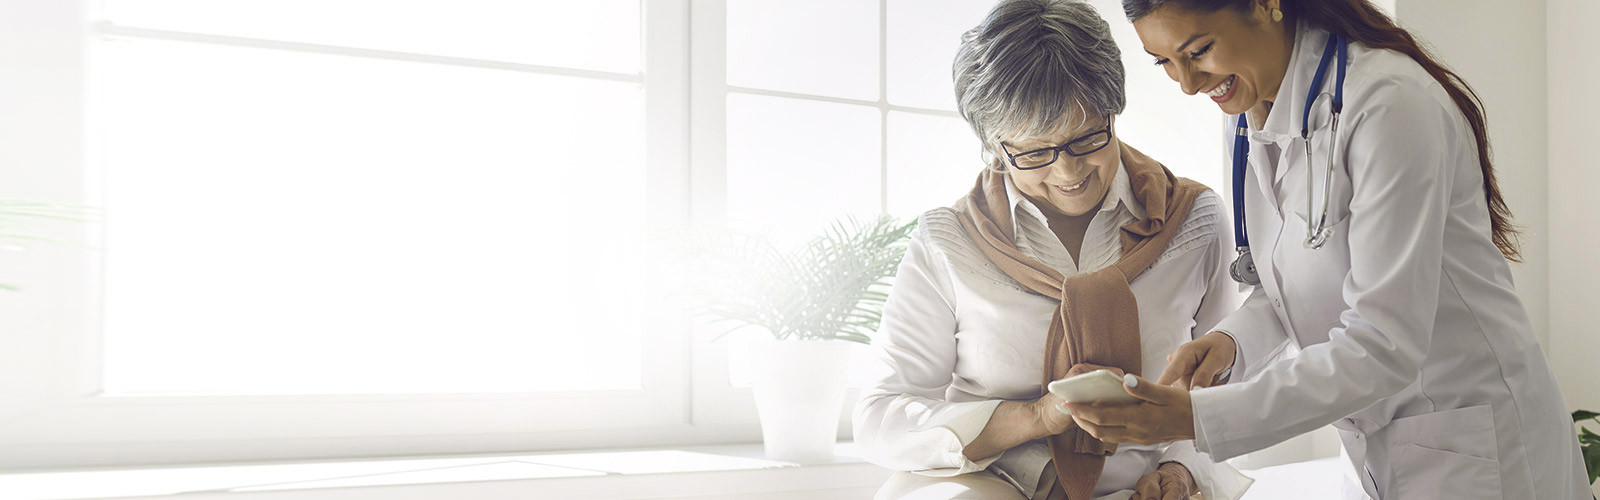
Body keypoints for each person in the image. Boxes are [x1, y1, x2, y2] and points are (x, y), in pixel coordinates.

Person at [1062, 1, 1590, 499]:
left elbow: (1384, 343)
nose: (1187, 85)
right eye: (1164, 64)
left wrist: (1195, 419)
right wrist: (1231, 342)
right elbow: (1292, 282)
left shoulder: (1389, 105)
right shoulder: (1245, 114)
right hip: (1378, 446)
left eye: (1198, 51)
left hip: (1479, 442)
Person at [852, 1, 1254, 499]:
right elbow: (880, 417)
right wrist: (1033, 418)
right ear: (995, 145)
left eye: (1087, 138)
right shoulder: (948, 240)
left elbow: (1230, 391)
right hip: (991, 479)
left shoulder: (1195, 220)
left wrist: (1182, 471)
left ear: (1114, 111)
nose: (1069, 173)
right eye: (1035, 151)